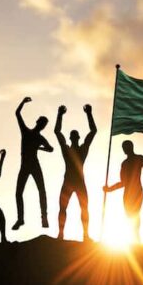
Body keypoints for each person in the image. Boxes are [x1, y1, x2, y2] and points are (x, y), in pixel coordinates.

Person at [54, 104, 97, 242]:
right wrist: (88, 114)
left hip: (75, 181)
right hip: (73, 181)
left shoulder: (77, 149)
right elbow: (57, 132)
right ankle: (63, 234)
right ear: (77, 138)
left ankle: (84, 235)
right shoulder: (76, 149)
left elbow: (93, 132)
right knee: (67, 208)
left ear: (74, 138)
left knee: (80, 208)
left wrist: (60, 115)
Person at [13, 96, 54, 230]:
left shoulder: (35, 136)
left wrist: (41, 148)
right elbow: (17, 114)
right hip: (27, 165)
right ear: (39, 123)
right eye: (42, 123)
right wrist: (22, 102)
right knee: (21, 192)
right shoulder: (29, 132)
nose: (42, 125)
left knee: (40, 191)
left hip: (31, 165)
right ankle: (21, 219)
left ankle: (43, 217)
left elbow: (51, 148)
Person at [102, 140, 143, 243]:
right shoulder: (124, 164)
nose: (125, 150)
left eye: (126, 147)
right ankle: (132, 240)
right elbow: (123, 182)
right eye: (123, 148)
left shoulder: (140, 158)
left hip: (137, 191)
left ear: (131, 147)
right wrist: (109, 189)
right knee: (129, 216)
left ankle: (136, 240)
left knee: (135, 215)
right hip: (127, 193)